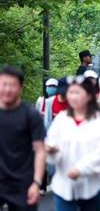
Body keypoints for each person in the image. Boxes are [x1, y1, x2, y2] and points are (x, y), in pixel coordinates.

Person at [46, 76, 100, 211]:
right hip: (64, 185)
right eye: (70, 92)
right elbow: (51, 143)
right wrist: (51, 152)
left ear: (89, 95)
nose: (73, 97)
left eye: (77, 93)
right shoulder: (61, 119)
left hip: (93, 186)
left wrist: (81, 169)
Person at [0, 66, 46, 211]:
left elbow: (40, 150)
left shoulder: (31, 115)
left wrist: (37, 183)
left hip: (23, 183)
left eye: (12, 85)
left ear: (20, 88)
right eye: (4, 84)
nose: (7, 89)